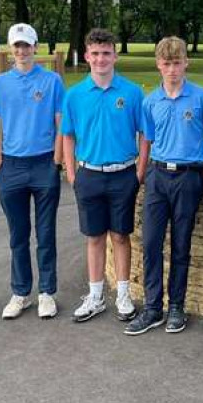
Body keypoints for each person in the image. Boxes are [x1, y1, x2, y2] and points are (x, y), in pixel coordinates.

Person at [125, 37, 203, 336]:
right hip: (158, 176)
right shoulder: (150, 101)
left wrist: (202, 164)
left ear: (186, 63)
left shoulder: (201, 98)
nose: (172, 70)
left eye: (177, 63)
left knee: (181, 244)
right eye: (167, 64)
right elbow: (147, 141)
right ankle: (153, 308)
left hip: (188, 176)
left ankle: (176, 306)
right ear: (158, 65)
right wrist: (142, 174)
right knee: (152, 243)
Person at [61, 28, 147, 323]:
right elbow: (68, 137)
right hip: (89, 175)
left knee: (121, 236)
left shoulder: (132, 92)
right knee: (94, 237)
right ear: (86, 56)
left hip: (123, 174)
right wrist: (71, 173)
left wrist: (140, 170)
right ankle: (96, 296)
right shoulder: (74, 95)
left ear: (115, 56)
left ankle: (123, 295)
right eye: (95, 54)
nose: (100, 59)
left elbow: (144, 135)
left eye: (106, 53)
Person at [0, 23, 65, 321]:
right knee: (18, 235)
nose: (21, 51)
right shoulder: (0, 84)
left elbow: (61, 123)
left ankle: (46, 292)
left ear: (35, 48)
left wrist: (56, 160)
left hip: (44, 163)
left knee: (45, 233)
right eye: (16, 46)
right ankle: (21, 292)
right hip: (12, 166)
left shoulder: (52, 81)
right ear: (10, 49)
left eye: (26, 45)